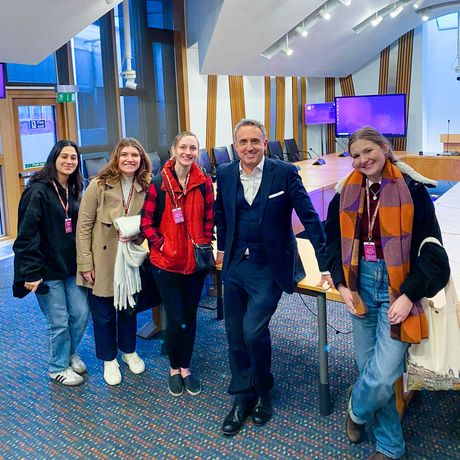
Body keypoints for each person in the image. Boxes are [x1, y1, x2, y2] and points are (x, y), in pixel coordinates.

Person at [324, 126, 450, 460]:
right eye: (355, 155)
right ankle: (391, 447)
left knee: (381, 375)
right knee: (369, 369)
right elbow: (330, 244)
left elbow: (433, 254)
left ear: (384, 147)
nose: (363, 160)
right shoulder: (345, 192)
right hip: (359, 287)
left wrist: (409, 295)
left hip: (397, 288)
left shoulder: (413, 191)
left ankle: (355, 409)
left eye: (368, 151)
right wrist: (341, 285)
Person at [214, 118, 333, 436]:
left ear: (265, 143)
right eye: (243, 142)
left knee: (253, 333)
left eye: (256, 141)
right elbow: (221, 214)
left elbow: (310, 216)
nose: (249, 147)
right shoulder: (226, 173)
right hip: (236, 264)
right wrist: (224, 251)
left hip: (269, 266)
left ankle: (264, 390)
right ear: (235, 145)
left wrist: (325, 266)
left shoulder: (283, 172)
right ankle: (242, 397)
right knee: (234, 336)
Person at [140, 131, 214, 397]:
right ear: (173, 150)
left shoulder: (204, 181)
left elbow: (209, 217)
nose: (188, 152)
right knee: (174, 317)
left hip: (194, 263)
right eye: (183, 147)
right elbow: (146, 223)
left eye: (193, 148)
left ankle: (186, 367)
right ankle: (173, 368)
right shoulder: (158, 183)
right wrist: (162, 244)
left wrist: (204, 241)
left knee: (190, 317)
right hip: (166, 264)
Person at [13, 140, 89, 386]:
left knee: (80, 314)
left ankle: (67, 353)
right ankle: (57, 367)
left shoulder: (74, 189)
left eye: (73, 158)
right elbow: (26, 235)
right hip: (45, 269)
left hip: (70, 265)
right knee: (58, 320)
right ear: (54, 158)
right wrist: (31, 272)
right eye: (64, 156)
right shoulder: (37, 191)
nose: (69, 161)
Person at [76, 138, 151, 386]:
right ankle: (109, 359)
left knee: (129, 309)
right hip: (103, 260)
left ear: (142, 159)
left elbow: (151, 222)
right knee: (104, 313)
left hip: (130, 257)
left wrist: (138, 234)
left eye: (135, 155)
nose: (130, 159)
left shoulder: (146, 186)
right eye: (124, 154)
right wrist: (85, 263)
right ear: (116, 158)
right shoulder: (98, 185)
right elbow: (83, 227)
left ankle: (128, 351)